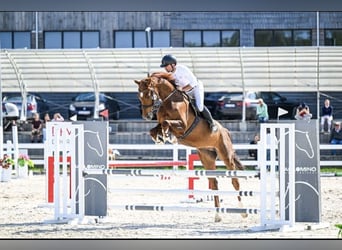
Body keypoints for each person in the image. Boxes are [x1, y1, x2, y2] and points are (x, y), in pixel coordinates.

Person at [152, 54, 218, 133]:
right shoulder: (170, 75)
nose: (165, 68)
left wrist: (182, 89)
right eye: (164, 66)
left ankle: (212, 123)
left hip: (196, 88)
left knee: (199, 107)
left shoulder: (182, 69)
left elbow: (193, 83)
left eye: (166, 66)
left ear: (173, 65)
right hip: (185, 91)